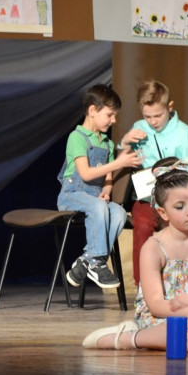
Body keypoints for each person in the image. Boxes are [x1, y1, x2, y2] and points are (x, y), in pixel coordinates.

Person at [82, 157, 188, 351]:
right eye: (180, 206)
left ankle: (180, 333)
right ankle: (130, 338)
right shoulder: (154, 247)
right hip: (161, 314)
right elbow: (156, 304)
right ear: (163, 212)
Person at [119, 80, 188, 286]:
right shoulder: (138, 129)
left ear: (170, 107)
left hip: (176, 199)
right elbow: (121, 162)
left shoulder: (186, 135)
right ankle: (143, 285)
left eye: (158, 115)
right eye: (147, 116)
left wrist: (175, 174)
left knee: (181, 227)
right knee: (143, 224)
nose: (152, 121)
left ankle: (180, 282)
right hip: (146, 197)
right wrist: (124, 143)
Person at [57, 84, 143, 289]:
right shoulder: (77, 138)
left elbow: (108, 179)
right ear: (92, 110)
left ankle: (87, 260)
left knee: (119, 213)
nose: (114, 120)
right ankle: (97, 262)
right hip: (72, 194)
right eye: (110, 115)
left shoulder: (107, 144)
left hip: (96, 199)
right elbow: (86, 174)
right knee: (98, 207)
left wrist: (106, 191)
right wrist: (119, 163)